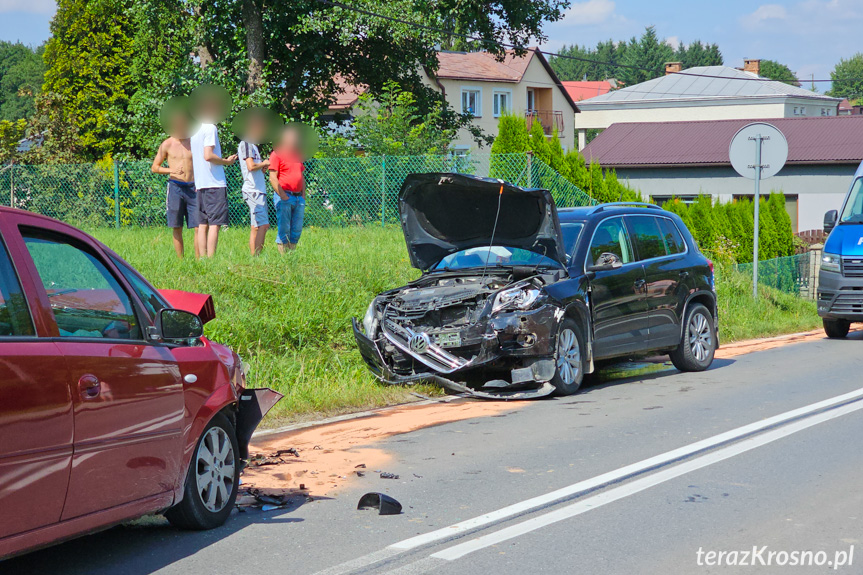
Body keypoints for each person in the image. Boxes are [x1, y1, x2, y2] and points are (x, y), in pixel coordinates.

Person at [189, 85, 236, 258]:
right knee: (215, 224)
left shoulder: (193, 131)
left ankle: (202, 259)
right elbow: (208, 155)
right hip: (213, 183)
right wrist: (226, 161)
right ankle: (211, 259)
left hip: (200, 184)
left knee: (202, 224)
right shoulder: (210, 127)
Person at [150, 96, 198, 258]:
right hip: (176, 187)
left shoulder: (194, 142)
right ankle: (181, 260)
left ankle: (200, 260)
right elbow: (155, 167)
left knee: (198, 226)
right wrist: (171, 170)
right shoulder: (167, 144)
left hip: (194, 187)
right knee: (177, 226)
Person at [236, 111, 271, 256]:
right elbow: (250, 166)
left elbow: (253, 168)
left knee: (256, 226)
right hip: (253, 190)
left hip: (258, 189)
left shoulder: (253, 146)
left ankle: (254, 256)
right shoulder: (247, 143)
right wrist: (263, 162)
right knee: (263, 225)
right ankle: (257, 257)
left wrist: (262, 167)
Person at [269, 125, 306, 252]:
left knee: (296, 231)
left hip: (298, 198)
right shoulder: (276, 154)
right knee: (284, 230)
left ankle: (292, 256)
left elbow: (301, 176)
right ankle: (284, 260)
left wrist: (303, 196)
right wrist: (283, 196)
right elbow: (272, 177)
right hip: (285, 196)